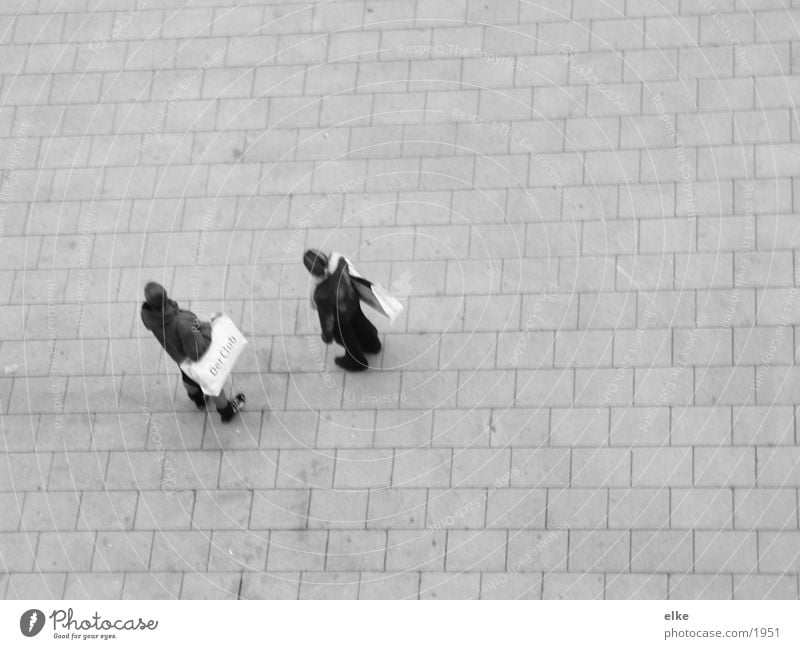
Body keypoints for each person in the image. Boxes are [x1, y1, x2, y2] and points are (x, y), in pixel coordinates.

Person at [140, 282, 245, 422]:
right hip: (192, 355)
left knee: (189, 378)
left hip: (179, 357)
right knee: (212, 385)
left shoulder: (147, 315)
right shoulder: (181, 323)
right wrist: (208, 326)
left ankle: (199, 400)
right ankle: (226, 411)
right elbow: (197, 352)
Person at [304, 249, 382, 371]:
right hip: (352, 300)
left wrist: (327, 335)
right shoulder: (339, 262)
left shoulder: (320, 293)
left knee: (347, 338)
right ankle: (373, 344)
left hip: (340, 317)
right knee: (360, 322)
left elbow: (327, 318)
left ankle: (357, 362)